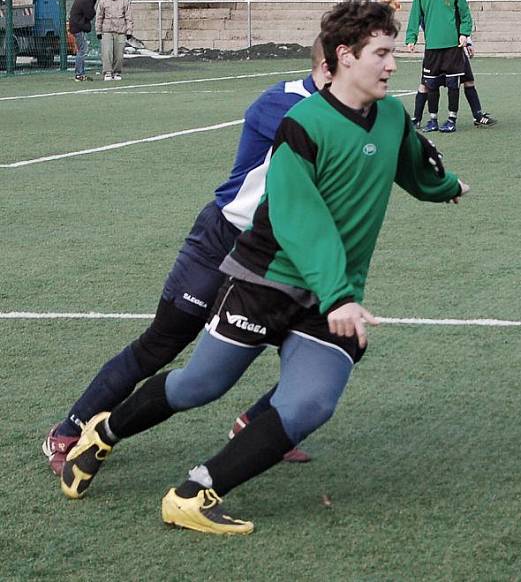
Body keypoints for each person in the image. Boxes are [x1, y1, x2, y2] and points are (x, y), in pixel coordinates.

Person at [60, 0, 470, 535]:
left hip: (330, 293)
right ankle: (103, 432)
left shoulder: (392, 115)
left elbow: (412, 167)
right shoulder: (302, 125)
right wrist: (339, 294)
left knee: (312, 404)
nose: (393, 65)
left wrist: (446, 189)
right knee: (196, 387)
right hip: (267, 279)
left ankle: (195, 493)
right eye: (382, 54)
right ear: (344, 56)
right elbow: (301, 223)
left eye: (394, 53)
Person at [42, 40, 332, 478]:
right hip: (223, 240)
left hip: (277, 253)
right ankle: (69, 429)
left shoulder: (350, 113)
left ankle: (257, 424)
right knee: (161, 344)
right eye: (374, 56)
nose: (385, 69)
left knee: (321, 338)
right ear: (333, 66)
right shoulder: (286, 104)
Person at [406, 0, 473, 134]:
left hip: (452, 46)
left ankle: (451, 119)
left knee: (453, 84)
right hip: (432, 46)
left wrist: (464, 34)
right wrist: (411, 38)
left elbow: (465, 14)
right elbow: (414, 16)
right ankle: (433, 119)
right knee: (431, 84)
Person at [95, 0, 133, 81]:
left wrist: (129, 31)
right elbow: (99, 17)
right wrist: (98, 31)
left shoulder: (124, 1)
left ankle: (117, 72)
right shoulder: (103, 1)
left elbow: (128, 17)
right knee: (107, 52)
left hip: (120, 31)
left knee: (119, 54)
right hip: (106, 31)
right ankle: (107, 72)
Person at [68, 0, 98, 82]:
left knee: (82, 49)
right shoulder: (87, 0)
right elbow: (90, 14)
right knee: (82, 50)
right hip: (79, 28)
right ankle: (79, 74)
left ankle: (81, 73)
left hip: (76, 27)